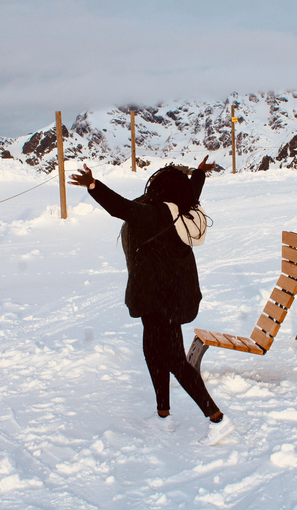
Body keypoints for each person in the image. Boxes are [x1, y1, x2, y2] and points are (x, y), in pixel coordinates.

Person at [70, 156, 235, 446]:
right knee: (152, 352)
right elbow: (193, 190)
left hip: (162, 299)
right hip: (166, 296)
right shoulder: (184, 208)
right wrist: (199, 173)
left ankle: (218, 419)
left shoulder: (157, 213)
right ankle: (163, 416)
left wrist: (94, 185)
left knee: (174, 360)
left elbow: (121, 208)